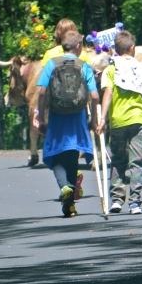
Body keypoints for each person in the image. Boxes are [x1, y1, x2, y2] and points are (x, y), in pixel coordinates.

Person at [36, 31, 100, 217]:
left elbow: (41, 92)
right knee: (72, 157)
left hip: (56, 117)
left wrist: (41, 117)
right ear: (78, 46)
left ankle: (65, 188)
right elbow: (95, 96)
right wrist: (93, 120)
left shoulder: (51, 64)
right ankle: (70, 202)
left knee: (55, 155)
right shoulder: (84, 66)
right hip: (77, 118)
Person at [99, 30, 142, 215]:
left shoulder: (111, 69)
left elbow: (108, 93)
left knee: (118, 159)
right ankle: (135, 202)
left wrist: (102, 118)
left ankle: (116, 199)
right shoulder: (141, 68)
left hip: (118, 121)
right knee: (138, 161)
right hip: (139, 119)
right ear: (132, 48)